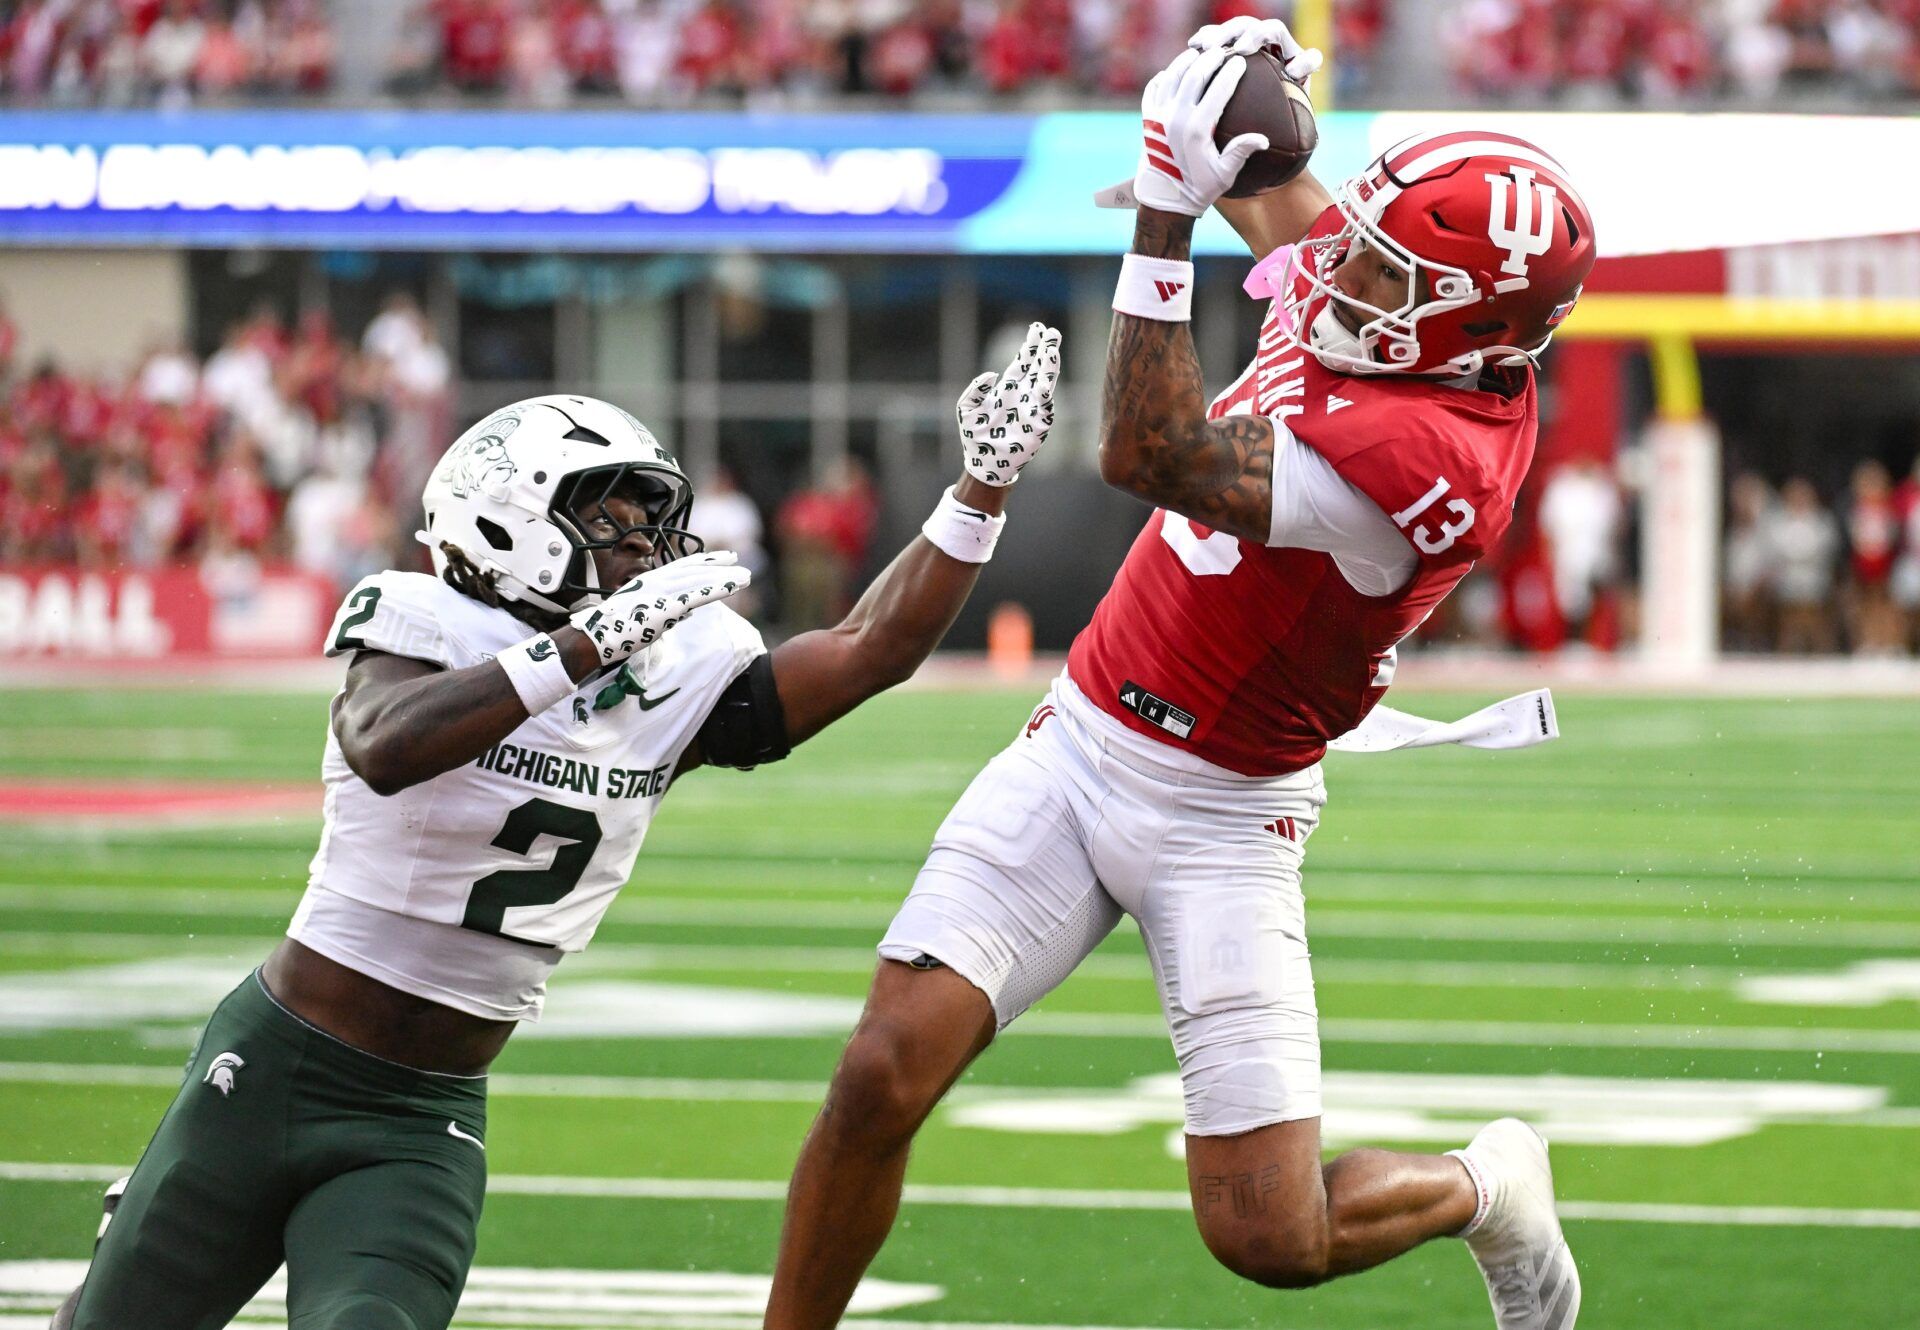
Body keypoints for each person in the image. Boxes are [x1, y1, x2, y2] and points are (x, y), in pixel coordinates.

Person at [764, 19, 1590, 1330]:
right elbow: (1276, 194)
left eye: (1385, 275)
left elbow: (1148, 450)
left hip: (1224, 810)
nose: (1341, 274)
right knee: (880, 1074)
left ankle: (1488, 1184)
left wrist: (1164, 211)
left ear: (1473, 330)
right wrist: (1212, 97)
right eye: (1365, 248)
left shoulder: (1434, 463)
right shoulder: (1405, 310)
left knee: (1271, 1233)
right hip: (1081, 736)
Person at [53, 325, 1061, 1330]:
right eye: (609, 517)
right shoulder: (425, 617)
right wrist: (576, 650)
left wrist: (979, 491)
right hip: (274, 1068)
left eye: (649, 520)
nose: (643, 545)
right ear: (507, 521)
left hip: (422, 1117)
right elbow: (384, 744)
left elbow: (868, 645)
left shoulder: (669, 673)